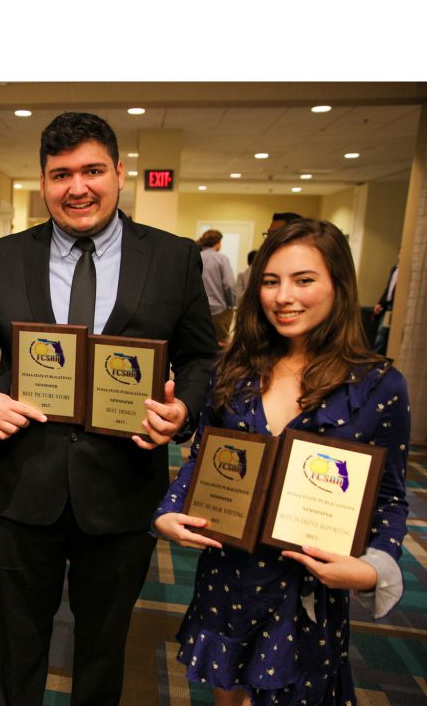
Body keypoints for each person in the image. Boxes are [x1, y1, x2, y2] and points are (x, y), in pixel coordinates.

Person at [0, 111, 218, 705]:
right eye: (60, 174)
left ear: (121, 173)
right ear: (43, 183)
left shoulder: (173, 258)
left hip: (123, 488)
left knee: (104, 645)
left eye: (93, 170)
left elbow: (202, 358)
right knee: (19, 641)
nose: (77, 187)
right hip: (22, 487)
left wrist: (185, 412)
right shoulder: (5, 255)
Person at [153, 219, 410, 705]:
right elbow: (204, 456)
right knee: (227, 692)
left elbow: (391, 498)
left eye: (304, 280)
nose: (283, 296)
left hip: (305, 587)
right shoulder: (235, 367)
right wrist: (169, 511)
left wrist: (373, 569)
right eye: (271, 282)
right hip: (229, 572)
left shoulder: (378, 385)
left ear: (339, 284)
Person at [198, 229, 237, 343]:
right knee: (220, 346)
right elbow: (229, 284)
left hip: (199, 311)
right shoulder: (221, 259)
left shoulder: (196, 257)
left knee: (202, 343)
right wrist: (232, 304)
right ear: (218, 242)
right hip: (219, 312)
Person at [371, 251, 400, 355]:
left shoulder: (403, 271)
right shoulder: (394, 269)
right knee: (381, 331)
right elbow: (388, 288)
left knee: (385, 333)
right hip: (387, 304)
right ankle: (375, 354)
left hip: (395, 305)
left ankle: (378, 355)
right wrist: (380, 303)